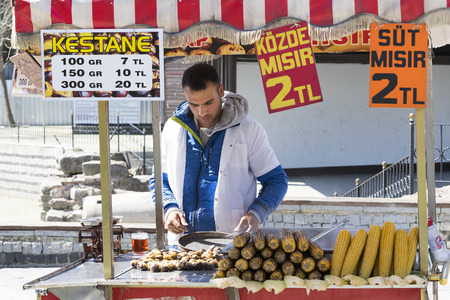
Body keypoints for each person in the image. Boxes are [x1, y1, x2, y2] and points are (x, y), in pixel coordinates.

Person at [149, 63, 288, 247]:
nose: (202, 112)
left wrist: (256, 213)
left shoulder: (249, 130)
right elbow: (159, 180)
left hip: (233, 245)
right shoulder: (172, 129)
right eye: (193, 104)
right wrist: (169, 209)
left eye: (208, 103)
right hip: (181, 246)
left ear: (221, 91)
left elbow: (276, 180)